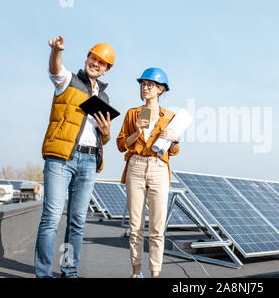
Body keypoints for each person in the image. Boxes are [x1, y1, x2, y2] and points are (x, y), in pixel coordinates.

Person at [35, 35, 115, 278]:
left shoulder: (104, 98)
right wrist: (56, 51)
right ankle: (43, 274)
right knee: (51, 217)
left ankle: (69, 271)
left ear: (107, 69)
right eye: (94, 57)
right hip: (61, 159)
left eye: (102, 62)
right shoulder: (68, 80)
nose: (96, 63)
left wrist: (107, 133)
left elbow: (103, 139)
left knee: (77, 222)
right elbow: (54, 69)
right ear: (87, 57)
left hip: (89, 161)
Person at [116, 67, 180, 278]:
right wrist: (136, 132)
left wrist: (175, 139)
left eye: (150, 85)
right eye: (143, 84)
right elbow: (121, 145)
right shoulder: (133, 113)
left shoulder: (170, 116)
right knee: (135, 226)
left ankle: (155, 274)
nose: (145, 88)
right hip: (135, 166)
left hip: (159, 168)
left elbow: (174, 151)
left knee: (157, 227)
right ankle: (136, 273)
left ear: (161, 89)